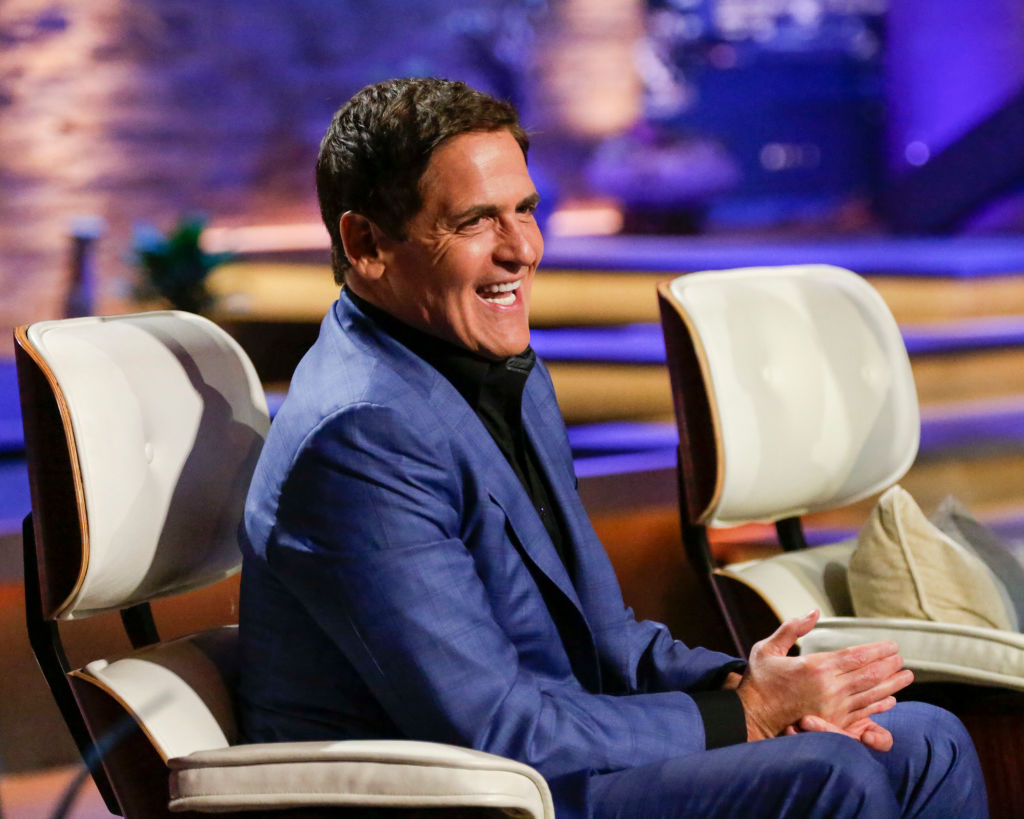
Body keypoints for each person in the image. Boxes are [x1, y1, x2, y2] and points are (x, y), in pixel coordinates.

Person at [238, 77, 987, 818]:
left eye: (525, 209)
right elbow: (492, 729)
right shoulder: (359, 437)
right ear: (367, 244)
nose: (522, 249)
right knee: (830, 774)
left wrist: (752, 685)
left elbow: (608, 638)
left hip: (557, 751)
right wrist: (747, 716)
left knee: (927, 739)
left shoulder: (503, 372)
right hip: (474, 792)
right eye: (475, 221)